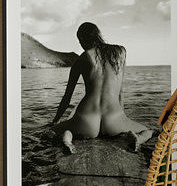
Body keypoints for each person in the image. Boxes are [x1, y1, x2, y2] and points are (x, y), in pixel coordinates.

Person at [52, 21, 152, 154]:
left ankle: (67, 140)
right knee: (148, 130)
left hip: (86, 120)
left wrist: (55, 121)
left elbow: (67, 97)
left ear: (82, 39)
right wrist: (122, 118)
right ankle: (138, 139)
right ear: (97, 34)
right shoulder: (120, 52)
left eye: (79, 41)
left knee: (57, 131)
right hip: (114, 120)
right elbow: (120, 92)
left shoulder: (83, 58)